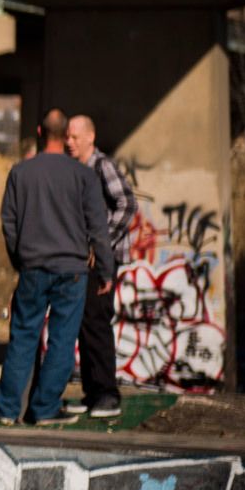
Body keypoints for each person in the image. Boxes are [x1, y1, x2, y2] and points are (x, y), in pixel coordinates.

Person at [0, 108, 113, 425]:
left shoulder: (20, 173)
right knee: (62, 340)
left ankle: (8, 409)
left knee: (23, 336)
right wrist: (105, 271)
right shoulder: (84, 175)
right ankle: (44, 408)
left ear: (38, 132)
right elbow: (98, 229)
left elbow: (8, 222)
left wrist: (19, 260)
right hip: (71, 270)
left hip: (33, 267)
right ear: (65, 136)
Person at [65, 114, 134, 418]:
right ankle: (92, 393)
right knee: (82, 325)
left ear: (90, 138)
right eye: (67, 136)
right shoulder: (73, 170)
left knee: (96, 323)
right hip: (80, 260)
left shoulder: (101, 165)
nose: (69, 142)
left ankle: (107, 394)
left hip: (102, 259)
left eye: (74, 137)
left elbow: (127, 204)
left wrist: (100, 240)